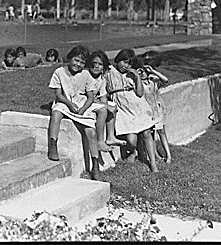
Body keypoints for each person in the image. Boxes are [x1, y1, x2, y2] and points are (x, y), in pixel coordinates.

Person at [46, 45, 105, 180]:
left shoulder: (85, 75)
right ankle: (53, 145)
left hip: (82, 103)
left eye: (82, 62)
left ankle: (95, 165)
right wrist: (69, 104)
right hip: (65, 102)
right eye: (76, 60)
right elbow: (59, 94)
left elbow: (90, 97)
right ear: (70, 58)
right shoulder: (59, 72)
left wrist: (83, 109)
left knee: (91, 131)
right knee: (56, 113)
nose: (78, 64)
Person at [105, 49, 158, 173]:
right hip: (122, 108)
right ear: (118, 59)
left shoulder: (131, 75)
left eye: (129, 64)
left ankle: (153, 164)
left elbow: (140, 93)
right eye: (124, 62)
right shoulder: (110, 71)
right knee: (131, 140)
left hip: (138, 106)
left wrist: (137, 77)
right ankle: (133, 151)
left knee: (146, 133)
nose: (126, 66)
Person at [87, 50, 127, 148]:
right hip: (84, 101)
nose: (96, 66)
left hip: (93, 101)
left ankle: (110, 137)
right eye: (94, 63)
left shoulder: (101, 79)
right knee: (104, 109)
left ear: (104, 67)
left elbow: (103, 96)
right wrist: (105, 106)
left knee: (112, 106)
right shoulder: (86, 76)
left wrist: (107, 105)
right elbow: (87, 97)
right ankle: (100, 141)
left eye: (100, 64)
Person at [140, 51, 172, 163]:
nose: (142, 73)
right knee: (151, 133)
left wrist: (152, 71)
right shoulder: (139, 83)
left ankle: (168, 155)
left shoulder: (153, 81)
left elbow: (165, 80)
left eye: (145, 71)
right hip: (147, 112)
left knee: (161, 132)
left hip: (157, 110)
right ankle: (155, 155)